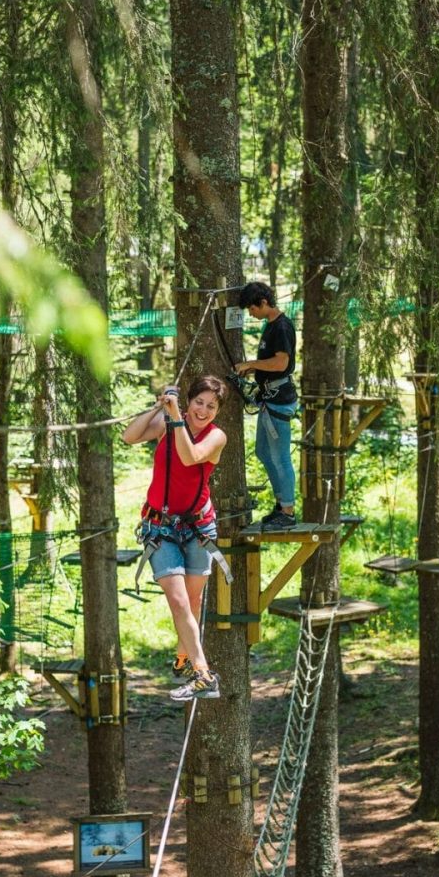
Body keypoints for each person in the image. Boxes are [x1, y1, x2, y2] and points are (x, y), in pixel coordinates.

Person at [121, 376, 228, 701]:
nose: (204, 411)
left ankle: (184, 655)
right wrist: (159, 407)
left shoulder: (216, 437)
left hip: (197, 528)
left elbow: (190, 456)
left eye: (211, 406)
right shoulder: (169, 422)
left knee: (192, 603)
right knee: (179, 601)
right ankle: (202, 674)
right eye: (199, 402)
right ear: (190, 400)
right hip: (161, 527)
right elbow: (129, 436)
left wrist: (177, 415)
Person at [233, 281, 297, 531]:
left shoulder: (281, 326)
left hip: (279, 401)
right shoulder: (271, 325)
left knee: (280, 457)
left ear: (263, 302)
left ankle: (288, 511)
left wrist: (251, 364)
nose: (251, 313)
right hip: (270, 398)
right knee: (263, 451)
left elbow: (281, 363)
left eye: (251, 308)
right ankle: (282, 505)